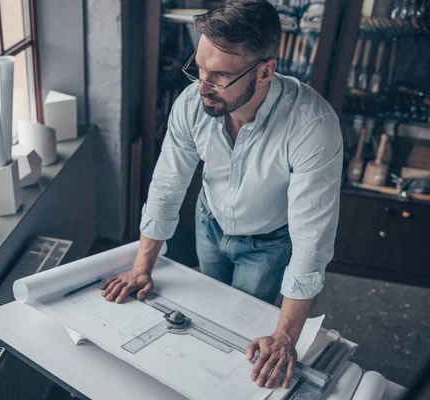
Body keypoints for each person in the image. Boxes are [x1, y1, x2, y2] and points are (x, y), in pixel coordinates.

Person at [101, 0, 343, 390]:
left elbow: (311, 241)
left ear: (265, 71)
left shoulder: (313, 126)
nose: (202, 86)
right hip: (209, 222)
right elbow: (167, 186)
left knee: (246, 348)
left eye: (220, 76)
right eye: (199, 68)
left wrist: (285, 337)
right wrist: (141, 266)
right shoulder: (192, 103)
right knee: (211, 319)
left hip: (269, 242)